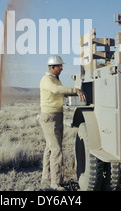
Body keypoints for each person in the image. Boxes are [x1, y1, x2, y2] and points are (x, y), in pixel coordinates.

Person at [39, 55, 86, 191]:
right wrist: (75, 90)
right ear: (52, 67)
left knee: (50, 148)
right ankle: (55, 183)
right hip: (50, 117)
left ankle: (46, 178)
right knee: (56, 150)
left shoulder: (55, 80)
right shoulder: (47, 80)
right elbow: (57, 90)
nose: (62, 69)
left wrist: (73, 93)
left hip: (56, 116)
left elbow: (60, 92)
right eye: (59, 66)